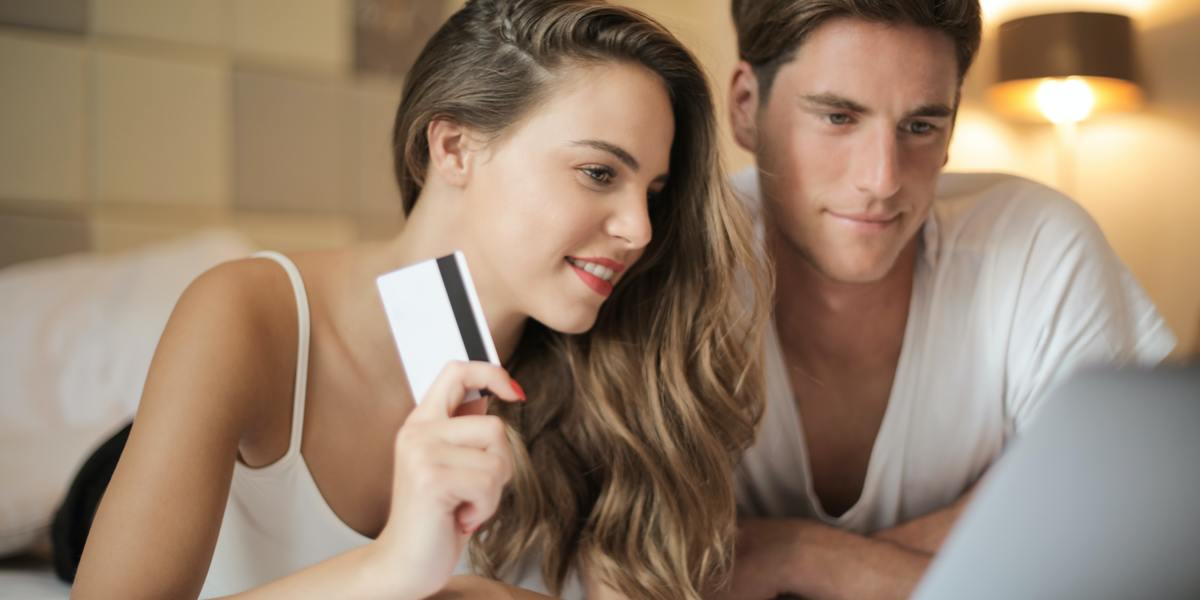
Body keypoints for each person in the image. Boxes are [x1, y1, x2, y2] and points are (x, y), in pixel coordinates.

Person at [71, 1, 769, 598]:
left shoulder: (613, 376)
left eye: (651, 192)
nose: (640, 230)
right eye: (597, 172)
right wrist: (394, 568)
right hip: (112, 478)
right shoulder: (248, 314)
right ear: (454, 146)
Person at [716, 1, 1178, 598]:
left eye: (920, 126)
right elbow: (628, 562)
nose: (882, 180)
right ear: (746, 107)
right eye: (837, 117)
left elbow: (1121, 548)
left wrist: (797, 555)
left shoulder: (1035, 244)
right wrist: (998, 535)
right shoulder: (673, 263)